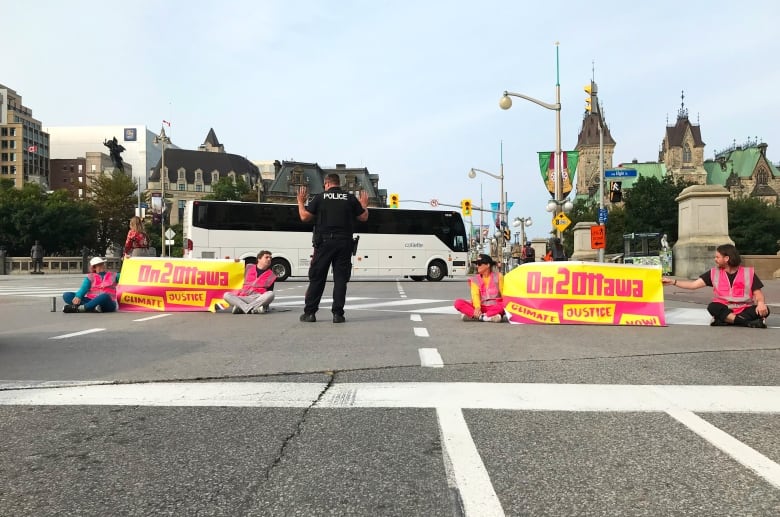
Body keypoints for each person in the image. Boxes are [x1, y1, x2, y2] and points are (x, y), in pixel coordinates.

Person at [297, 173, 369, 323]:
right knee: (341, 279)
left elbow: (304, 217)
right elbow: (363, 217)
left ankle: (310, 313)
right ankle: (338, 314)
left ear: (327, 183)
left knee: (318, 278)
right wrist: (364, 205)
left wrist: (300, 202)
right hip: (344, 243)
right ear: (339, 183)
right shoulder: (350, 198)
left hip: (324, 243)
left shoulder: (320, 197)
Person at [662, 243, 770, 328]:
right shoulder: (714, 272)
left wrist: (761, 303)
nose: (715, 259)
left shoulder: (748, 272)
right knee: (713, 307)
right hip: (725, 308)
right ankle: (747, 322)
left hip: (744, 308)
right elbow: (693, 285)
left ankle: (726, 320)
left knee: (765, 310)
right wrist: (673, 282)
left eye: (717, 257)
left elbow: (758, 294)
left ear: (726, 258)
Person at [454, 254, 505, 322]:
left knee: (506, 304)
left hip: (495, 307)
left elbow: (504, 294)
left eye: (480, 264)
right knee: (458, 303)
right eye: (477, 264)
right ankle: (486, 317)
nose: (477, 266)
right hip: (481, 307)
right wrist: (477, 308)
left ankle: (475, 316)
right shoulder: (474, 279)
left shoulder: (499, 276)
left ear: (488, 265)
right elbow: (475, 295)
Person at [223, 250, 277, 314]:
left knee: (271, 294)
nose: (269, 259)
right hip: (243, 297)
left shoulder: (271, 275)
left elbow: (268, 292)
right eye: (266, 257)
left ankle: (241, 308)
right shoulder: (248, 267)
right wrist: (229, 261)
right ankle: (250, 308)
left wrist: (265, 303)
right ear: (259, 259)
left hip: (257, 298)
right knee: (226, 295)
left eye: (270, 258)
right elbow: (233, 270)